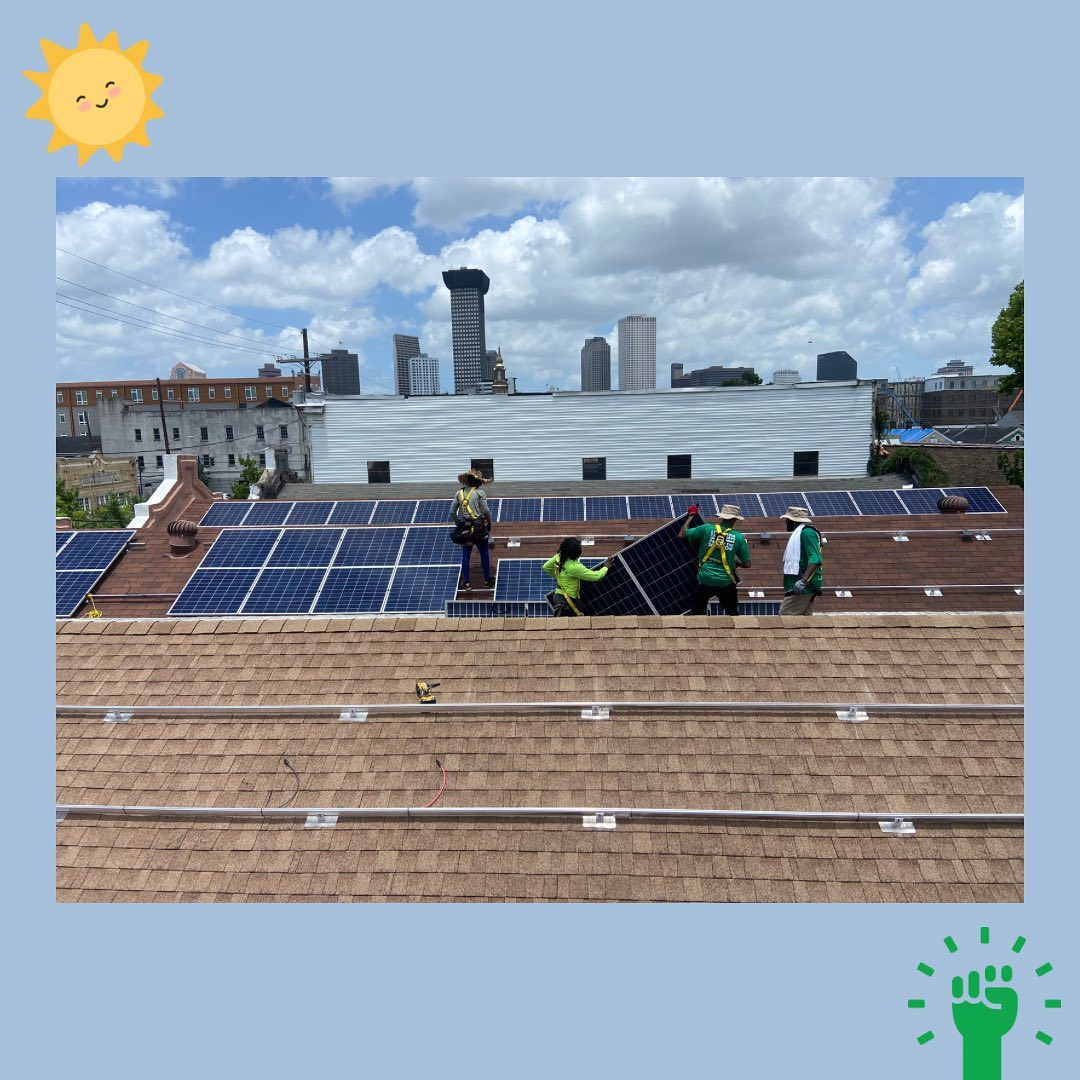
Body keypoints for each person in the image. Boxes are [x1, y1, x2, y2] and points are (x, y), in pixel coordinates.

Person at [679, 503, 752, 615]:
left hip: (705, 579)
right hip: (725, 581)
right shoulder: (739, 537)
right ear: (734, 520)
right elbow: (747, 564)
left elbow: (682, 534)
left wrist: (691, 516)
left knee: (696, 612)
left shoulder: (707, 529)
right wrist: (737, 563)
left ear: (722, 517)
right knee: (733, 613)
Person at [542, 537, 614, 616]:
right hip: (567, 601)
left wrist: (559, 577)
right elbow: (595, 576)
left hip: (559, 597)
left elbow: (546, 567)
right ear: (575, 553)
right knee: (566, 623)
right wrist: (605, 567)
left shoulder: (559, 557)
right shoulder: (573, 567)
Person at [450, 470, 493, 591]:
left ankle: (467, 583)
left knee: (466, 555)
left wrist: (459, 525)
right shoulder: (480, 493)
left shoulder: (459, 493)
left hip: (465, 528)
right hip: (479, 528)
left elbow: (452, 512)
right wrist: (489, 523)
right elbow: (485, 511)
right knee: (484, 554)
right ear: (477, 482)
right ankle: (487, 580)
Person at [778, 505, 823, 615]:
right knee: (804, 619)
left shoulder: (807, 533)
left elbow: (815, 559)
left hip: (803, 586)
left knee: (785, 616)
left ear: (794, 521)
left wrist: (803, 580)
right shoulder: (802, 533)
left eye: (788, 520)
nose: (786, 522)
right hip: (803, 585)